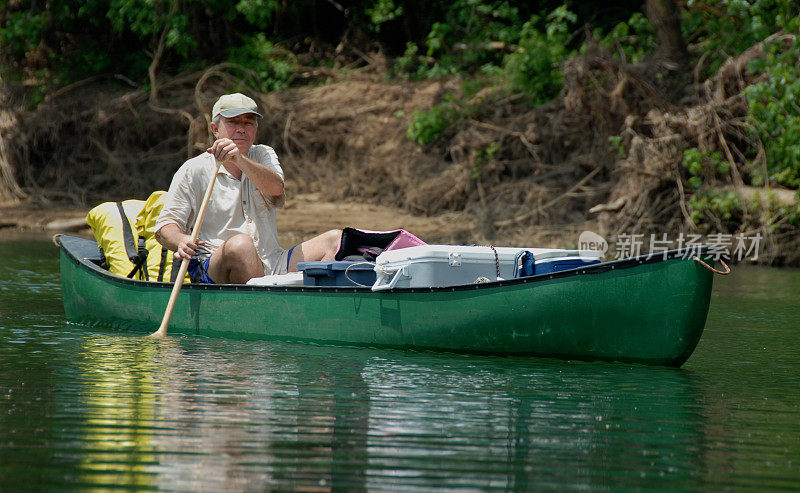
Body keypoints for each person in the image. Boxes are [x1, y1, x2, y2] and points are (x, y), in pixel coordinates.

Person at [155, 92, 341, 284]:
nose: (241, 129)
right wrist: (181, 240)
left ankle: (315, 307)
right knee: (241, 245)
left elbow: (276, 188)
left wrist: (239, 159)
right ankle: (262, 308)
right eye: (233, 122)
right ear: (215, 129)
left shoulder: (263, 154)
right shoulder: (193, 169)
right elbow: (164, 227)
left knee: (336, 240)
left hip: (272, 261)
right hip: (215, 267)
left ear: (255, 128)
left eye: (248, 123)